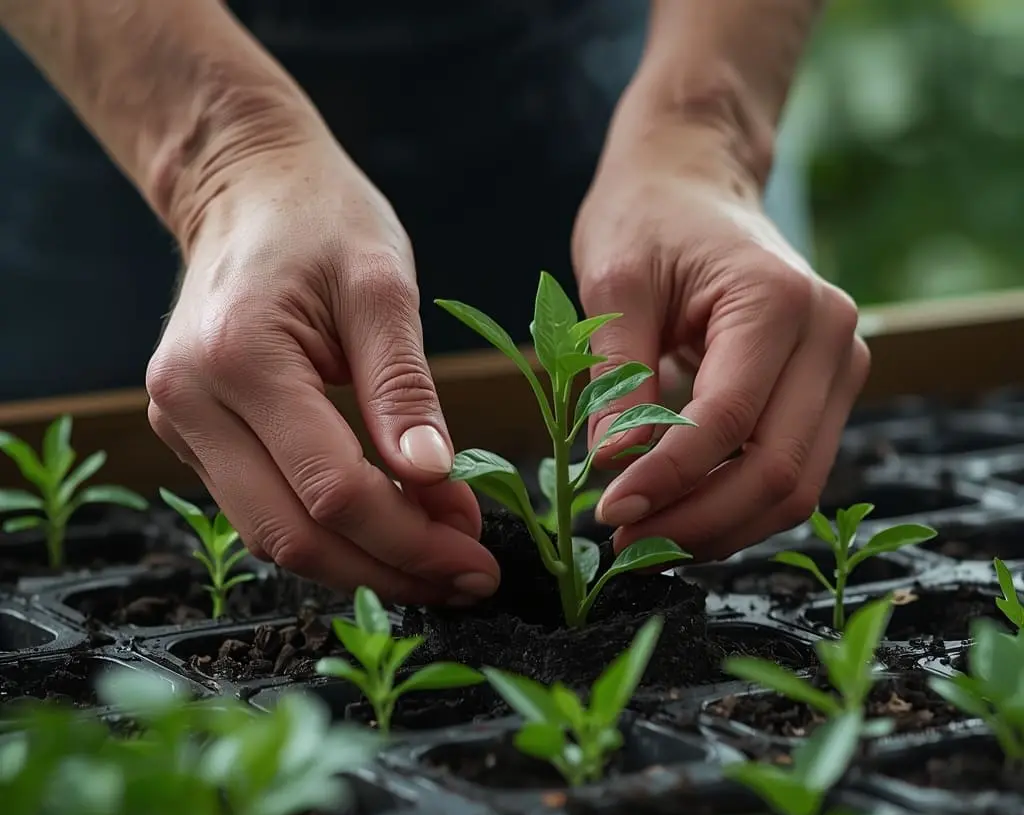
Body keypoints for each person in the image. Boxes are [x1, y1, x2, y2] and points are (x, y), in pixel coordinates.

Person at [0, 1, 867, 608]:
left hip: (627, 51)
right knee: (145, 487)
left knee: (711, 392)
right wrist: (214, 151)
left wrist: (706, 125)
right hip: (119, 56)